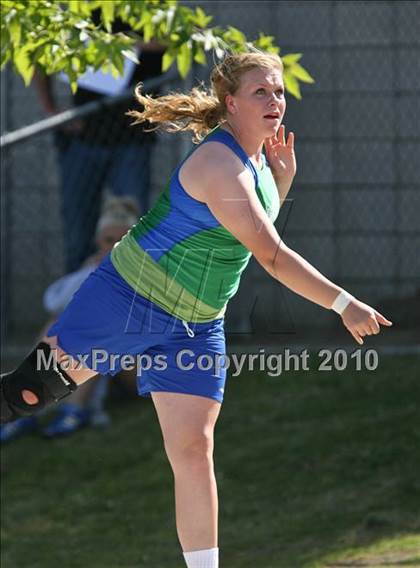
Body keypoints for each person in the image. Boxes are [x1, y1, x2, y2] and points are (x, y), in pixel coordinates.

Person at [1, 52, 392, 567]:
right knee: (31, 391)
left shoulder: (259, 163)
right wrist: (343, 303)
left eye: (278, 92)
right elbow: (271, 255)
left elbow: (253, 230)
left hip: (195, 325)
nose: (276, 100)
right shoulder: (217, 162)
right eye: (261, 92)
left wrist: (279, 182)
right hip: (129, 298)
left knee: (193, 451)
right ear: (231, 102)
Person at [0, 197, 139, 442]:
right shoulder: (95, 266)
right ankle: (27, 401)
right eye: (109, 240)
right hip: (112, 359)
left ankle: (74, 409)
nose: (115, 246)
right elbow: (54, 301)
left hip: (146, 368)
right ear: (98, 242)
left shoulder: (145, 270)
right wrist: (91, 273)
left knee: (98, 329)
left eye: (123, 240)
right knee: (57, 322)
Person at [33, 17, 163, 272]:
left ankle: (130, 304)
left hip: (133, 139)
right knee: (78, 235)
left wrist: (121, 44)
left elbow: (187, 39)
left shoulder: (150, 11)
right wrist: (51, 110)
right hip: (83, 137)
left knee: (132, 233)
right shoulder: (81, 11)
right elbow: (39, 50)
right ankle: (76, 305)